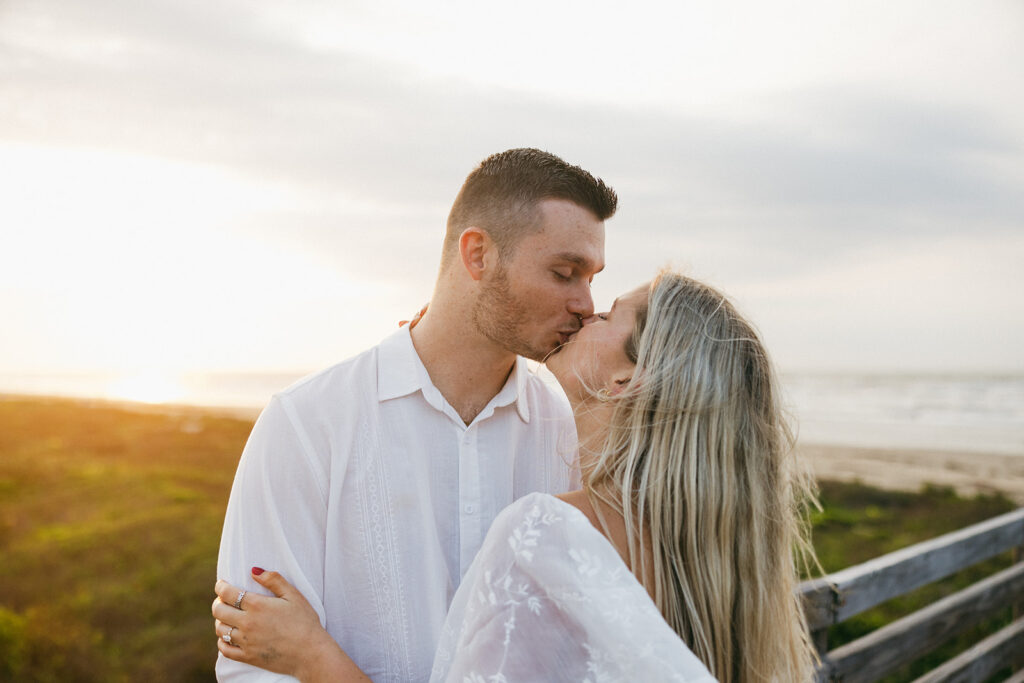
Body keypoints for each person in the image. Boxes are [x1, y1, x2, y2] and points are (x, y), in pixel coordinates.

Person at [213, 271, 821, 682]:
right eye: (568, 277)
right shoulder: (701, 547)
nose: (584, 309)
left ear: (625, 382)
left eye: (608, 313)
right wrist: (453, 339)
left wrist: (316, 658)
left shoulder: (545, 530)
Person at [214, 148, 618, 682]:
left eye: (591, 278)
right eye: (565, 272)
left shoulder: (571, 434)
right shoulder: (306, 423)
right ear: (477, 255)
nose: (586, 304)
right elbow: (258, 673)